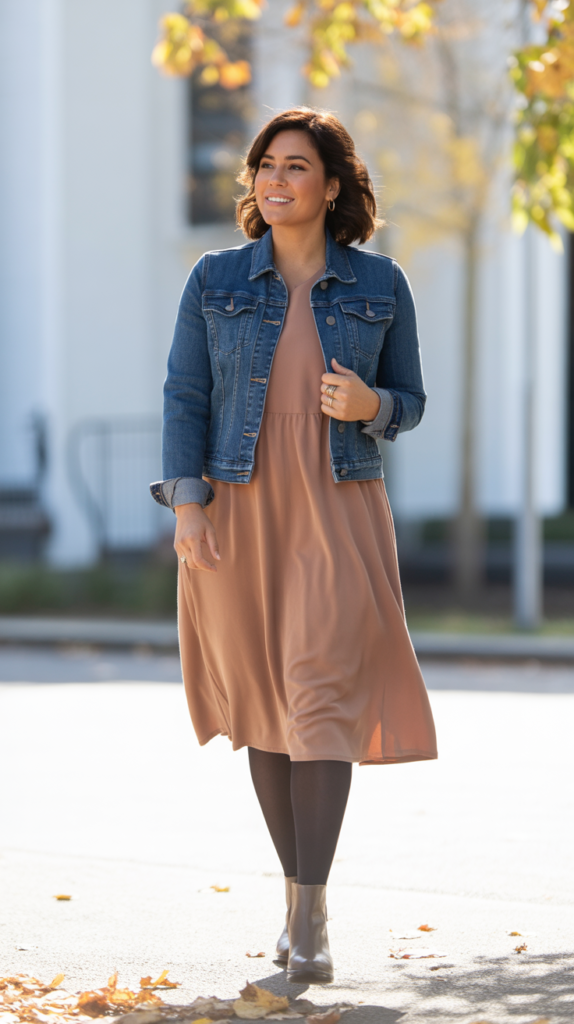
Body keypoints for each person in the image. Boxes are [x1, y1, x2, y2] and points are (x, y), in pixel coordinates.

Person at [151, 107, 437, 985]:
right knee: (266, 708)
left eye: (296, 167)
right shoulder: (214, 278)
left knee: (319, 696)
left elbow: (411, 398)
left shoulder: (381, 283)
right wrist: (188, 505)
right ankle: (295, 901)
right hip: (234, 511)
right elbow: (184, 394)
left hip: (336, 507)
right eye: (264, 166)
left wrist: (371, 408)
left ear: (334, 186)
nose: (275, 181)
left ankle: (311, 915)